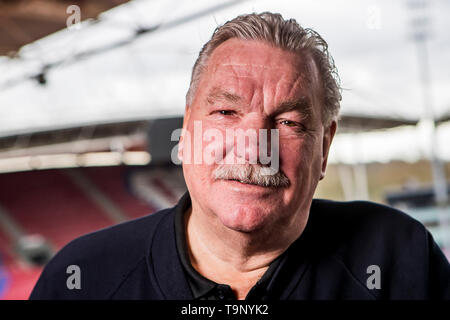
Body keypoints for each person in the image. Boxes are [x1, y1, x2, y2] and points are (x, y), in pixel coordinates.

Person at [30, 12, 450, 300]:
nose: (253, 147)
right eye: (226, 113)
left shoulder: (401, 259)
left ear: (323, 148)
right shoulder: (81, 279)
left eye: (288, 122)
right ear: (188, 127)